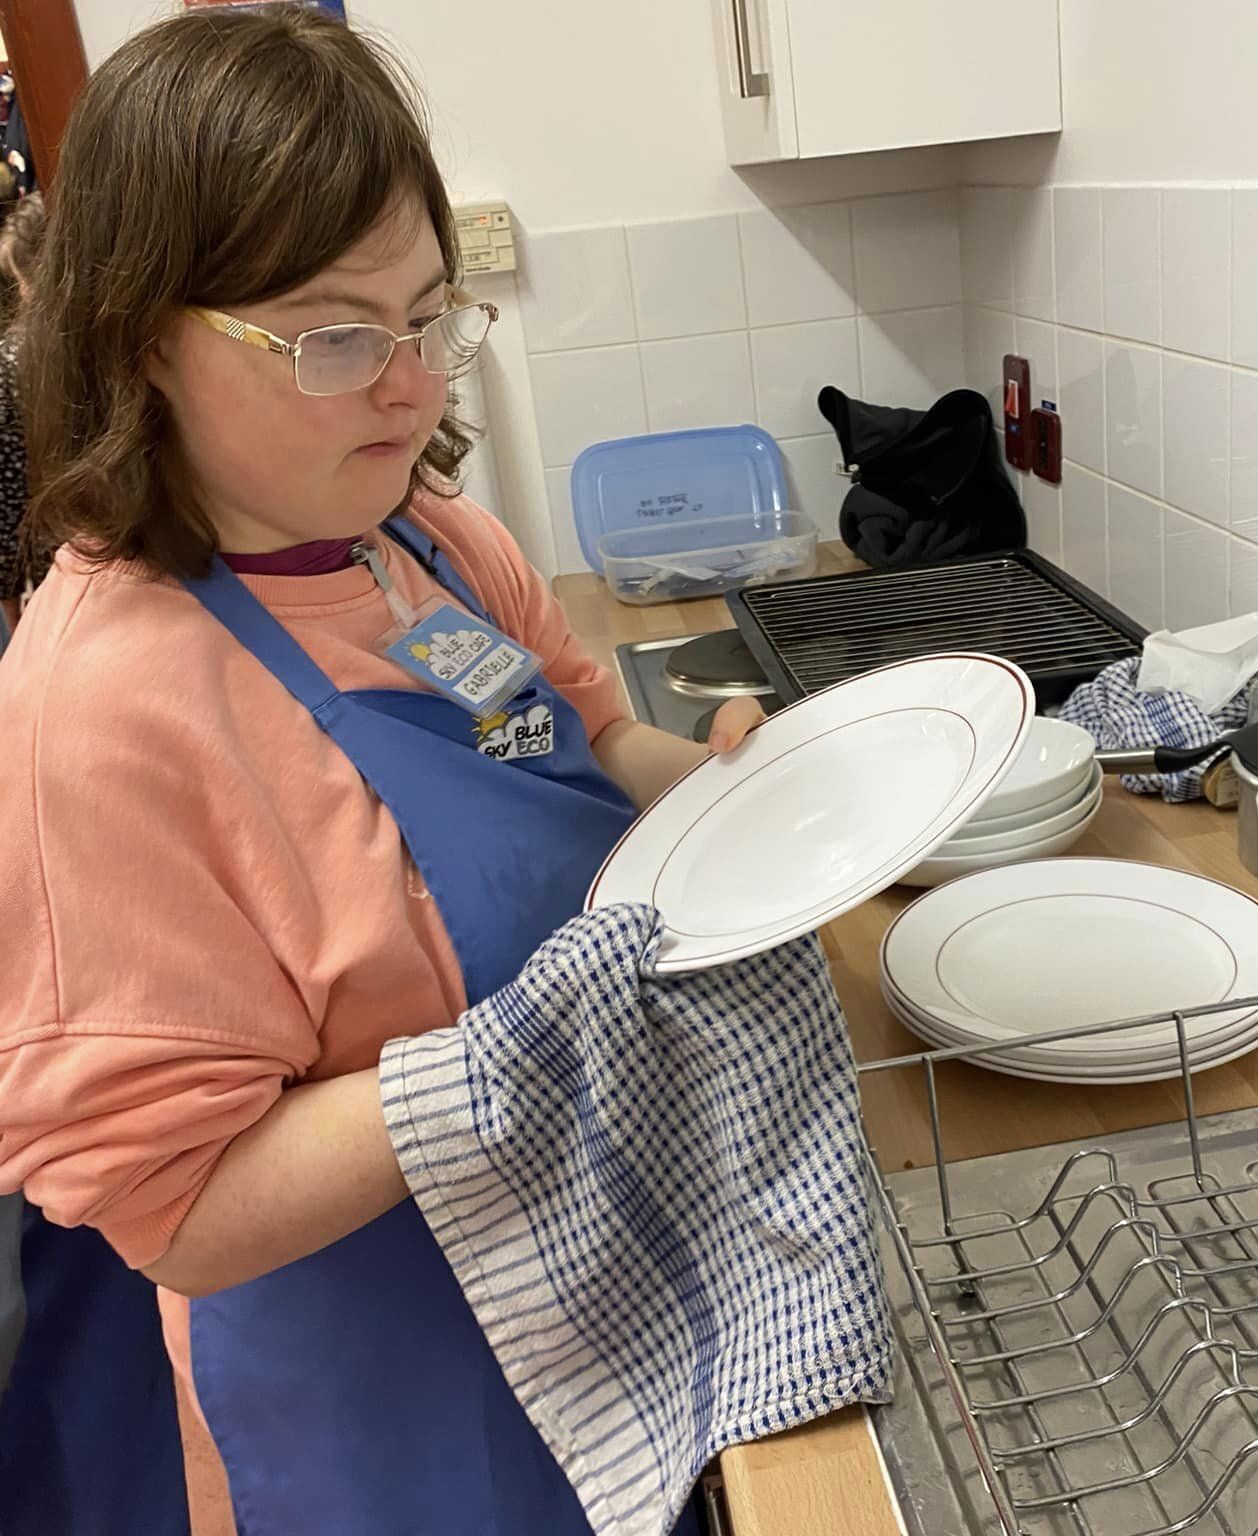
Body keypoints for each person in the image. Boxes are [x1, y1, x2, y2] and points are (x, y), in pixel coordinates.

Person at [0, 9, 762, 1535]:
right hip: (390, 1406)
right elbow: (182, 1214)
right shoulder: (99, 715)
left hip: (596, 1279)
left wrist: (762, 792)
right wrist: (507, 1057)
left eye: (428, 317)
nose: (410, 389)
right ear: (144, 337)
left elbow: (582, 739)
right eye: (335, 337)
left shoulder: (425, 543)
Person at [0, 192, 48, 638]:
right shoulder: (124, 342)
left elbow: (8, 491)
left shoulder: (11, 360)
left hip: (57, 572)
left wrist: (8, 599)